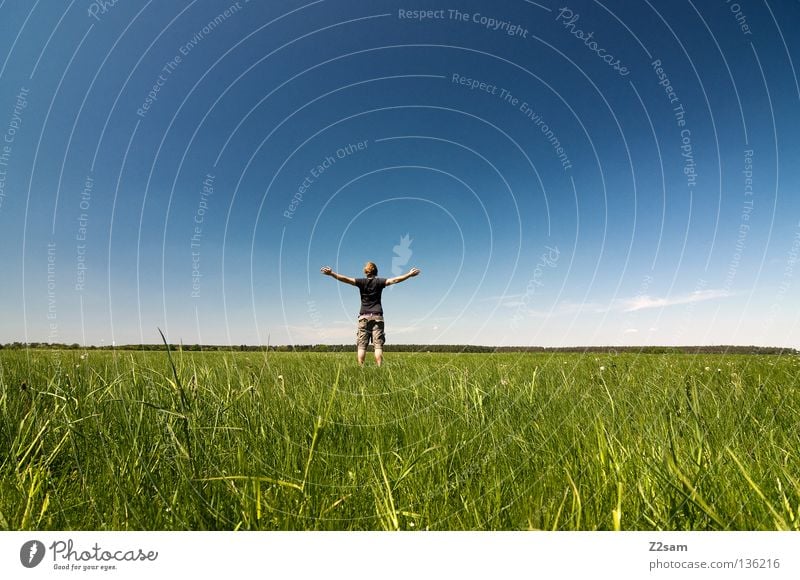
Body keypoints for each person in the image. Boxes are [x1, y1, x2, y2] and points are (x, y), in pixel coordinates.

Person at [320, 261, 420, 366]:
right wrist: (409, 275)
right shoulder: (380, 282)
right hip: (378, 317)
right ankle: (379, 367)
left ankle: (360, 368)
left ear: (365, 272)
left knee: (362, 346)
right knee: (378, 346)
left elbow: (345, 279)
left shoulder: (361, 282)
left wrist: (331, 274)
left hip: (363, 317)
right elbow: (395, 280)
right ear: (376, 272)